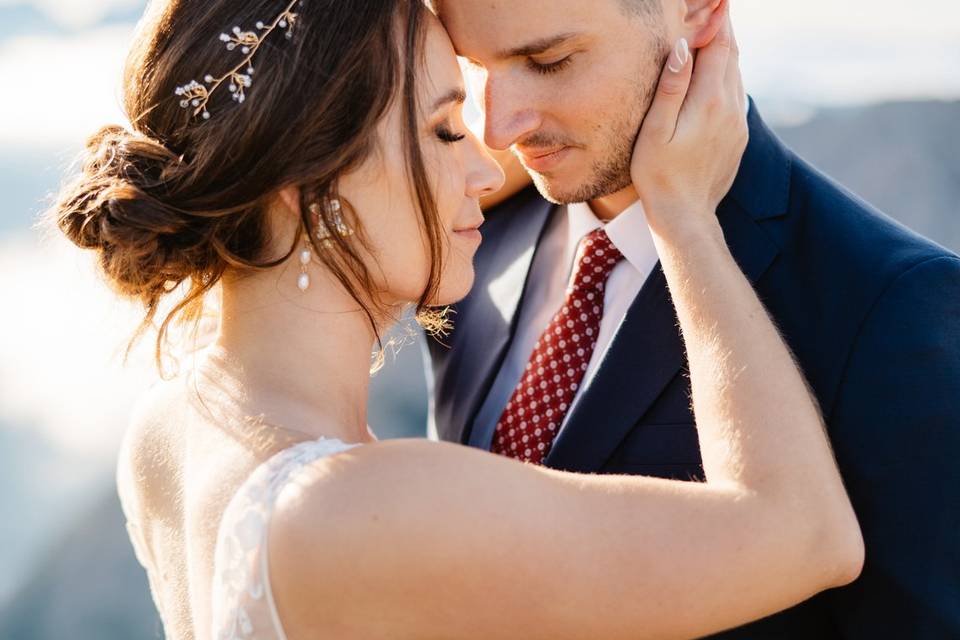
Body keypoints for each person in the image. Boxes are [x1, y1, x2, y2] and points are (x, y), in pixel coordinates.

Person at [51, 1, 862, 638]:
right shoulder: (361, 509)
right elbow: (804, 536)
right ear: (311, 182)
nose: (483, 166)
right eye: (446, 129)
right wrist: (683, 213)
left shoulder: (171, 429)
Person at [426, 0, 960, 637]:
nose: (499, 127)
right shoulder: (471, 241)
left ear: (698, 10)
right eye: (473, 64)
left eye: (549, 61)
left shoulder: (895, 304)